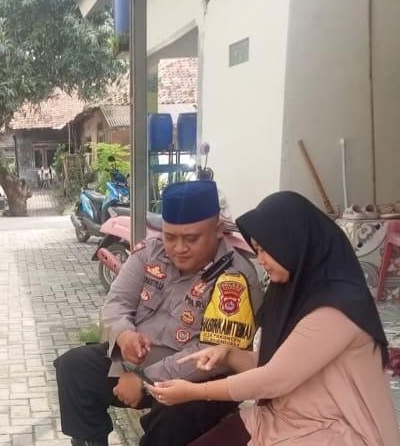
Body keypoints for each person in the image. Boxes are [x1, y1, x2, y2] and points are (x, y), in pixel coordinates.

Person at [145, 191, 400, 446]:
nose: (261, 260)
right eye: (257, 250)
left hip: (340, 431)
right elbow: (273, 363)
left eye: (267, 250)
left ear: (294, 244)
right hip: (285, 417)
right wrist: (228, 353)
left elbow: (274, 378)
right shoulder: (289, 292)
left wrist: (195, 392)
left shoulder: (337, 308)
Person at [55, 181, 264, 446]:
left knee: (170, 421)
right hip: (136, 366)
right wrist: (124, 336)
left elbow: (214, 355)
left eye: (192, 238)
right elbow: (117, 302)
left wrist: (144, 380)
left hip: (203, 381)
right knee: (75, 368)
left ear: (218, 230)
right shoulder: (150, 252)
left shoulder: (235, 277)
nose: (178, 248)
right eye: (170, 236)